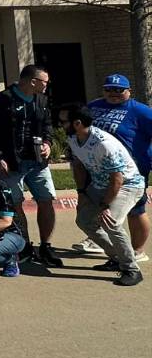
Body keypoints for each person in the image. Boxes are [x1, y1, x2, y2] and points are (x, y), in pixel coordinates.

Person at [0, 64, 62, 267]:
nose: (47, 85)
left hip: (37, 162)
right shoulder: (2, 100)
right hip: (11, 163)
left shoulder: (41, 100)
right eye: (44, 82)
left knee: (46, 199)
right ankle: (24, 245)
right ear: (33, 81)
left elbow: (47, 126)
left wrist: (48, 143)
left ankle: (46, 246)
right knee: (15, 204)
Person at [65, 106, 146, 287]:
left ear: (77, 123)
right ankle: (117, 257)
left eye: (63, 122)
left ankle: (132, 269)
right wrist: (82, 192)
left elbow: (117, 179)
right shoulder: (72, 138)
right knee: (84, 220)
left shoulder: (103, 144)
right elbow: (78, 165)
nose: (59, 125)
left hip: (128, 185)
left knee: (110, 222)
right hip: (100, 185)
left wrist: (105, 205)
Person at [83, 73, 152, 262]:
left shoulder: (140, 111)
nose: (113, 93)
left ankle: (137, 250)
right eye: (109, 89)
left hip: (132, 169)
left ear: (129, 91)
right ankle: (97, 240)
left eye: (119, 90)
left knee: (135, 210)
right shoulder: (94, 107)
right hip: (98, 168)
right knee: (97, 204)